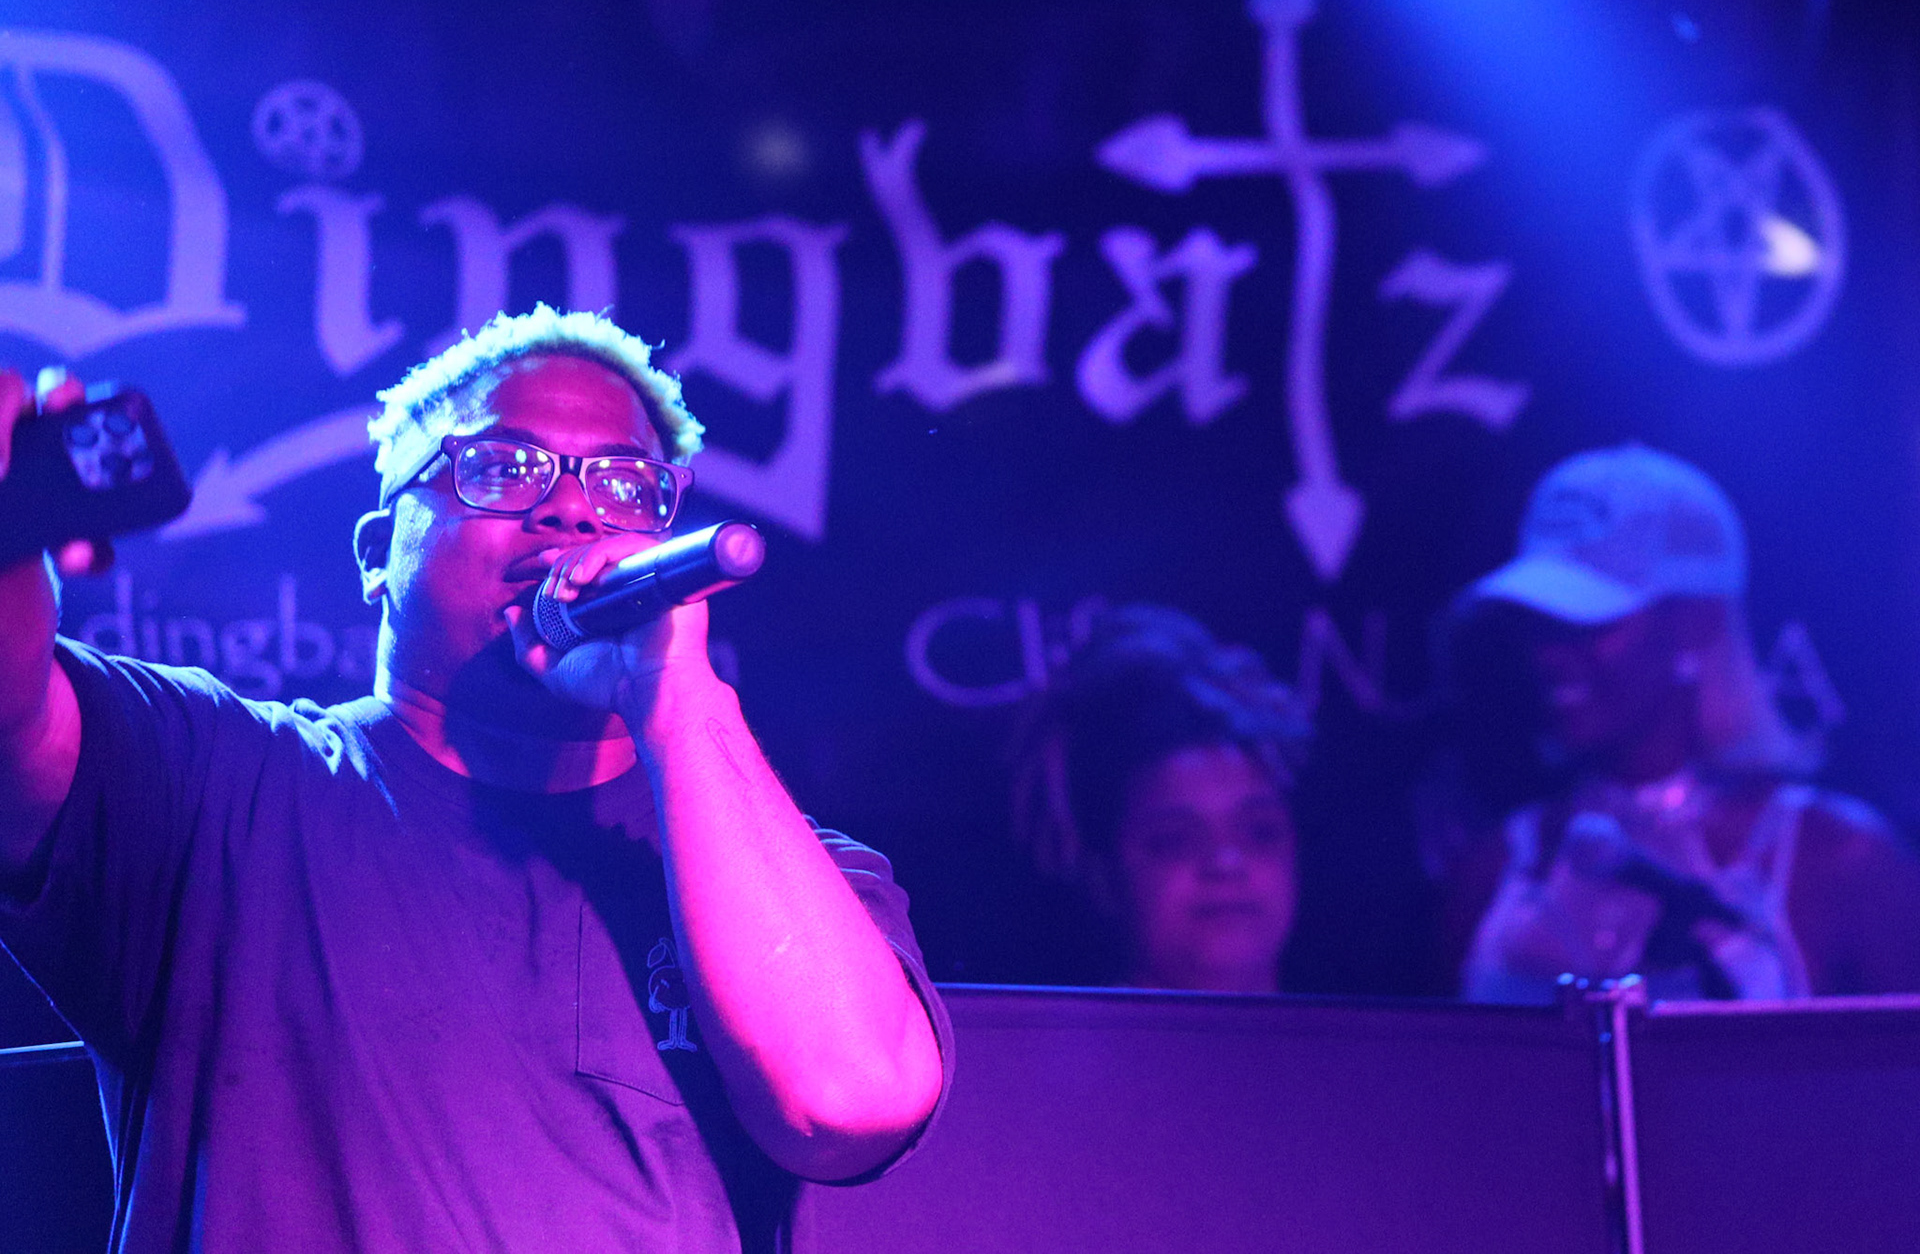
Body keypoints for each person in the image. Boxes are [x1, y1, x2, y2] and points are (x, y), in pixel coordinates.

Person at [0, 305, 950, 1251]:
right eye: (502, 467)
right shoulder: (212, 780)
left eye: (625, 486)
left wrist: (676, 696)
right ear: (378, 554)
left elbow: (850, 1100)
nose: (572, 511)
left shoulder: (787, 869)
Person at [1456, 445, 1920, 1003]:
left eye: (1587, 621)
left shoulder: (1837, 861)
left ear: (1697, 622)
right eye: (1539, 622)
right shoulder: (1495, 867)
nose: (1550, 653)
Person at [1010, 605, 1308, 994]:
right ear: (1103, 875)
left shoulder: (1367, 1033)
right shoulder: (1039, 1037)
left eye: (1260, 832)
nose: (1226, 863)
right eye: (1175, 841)